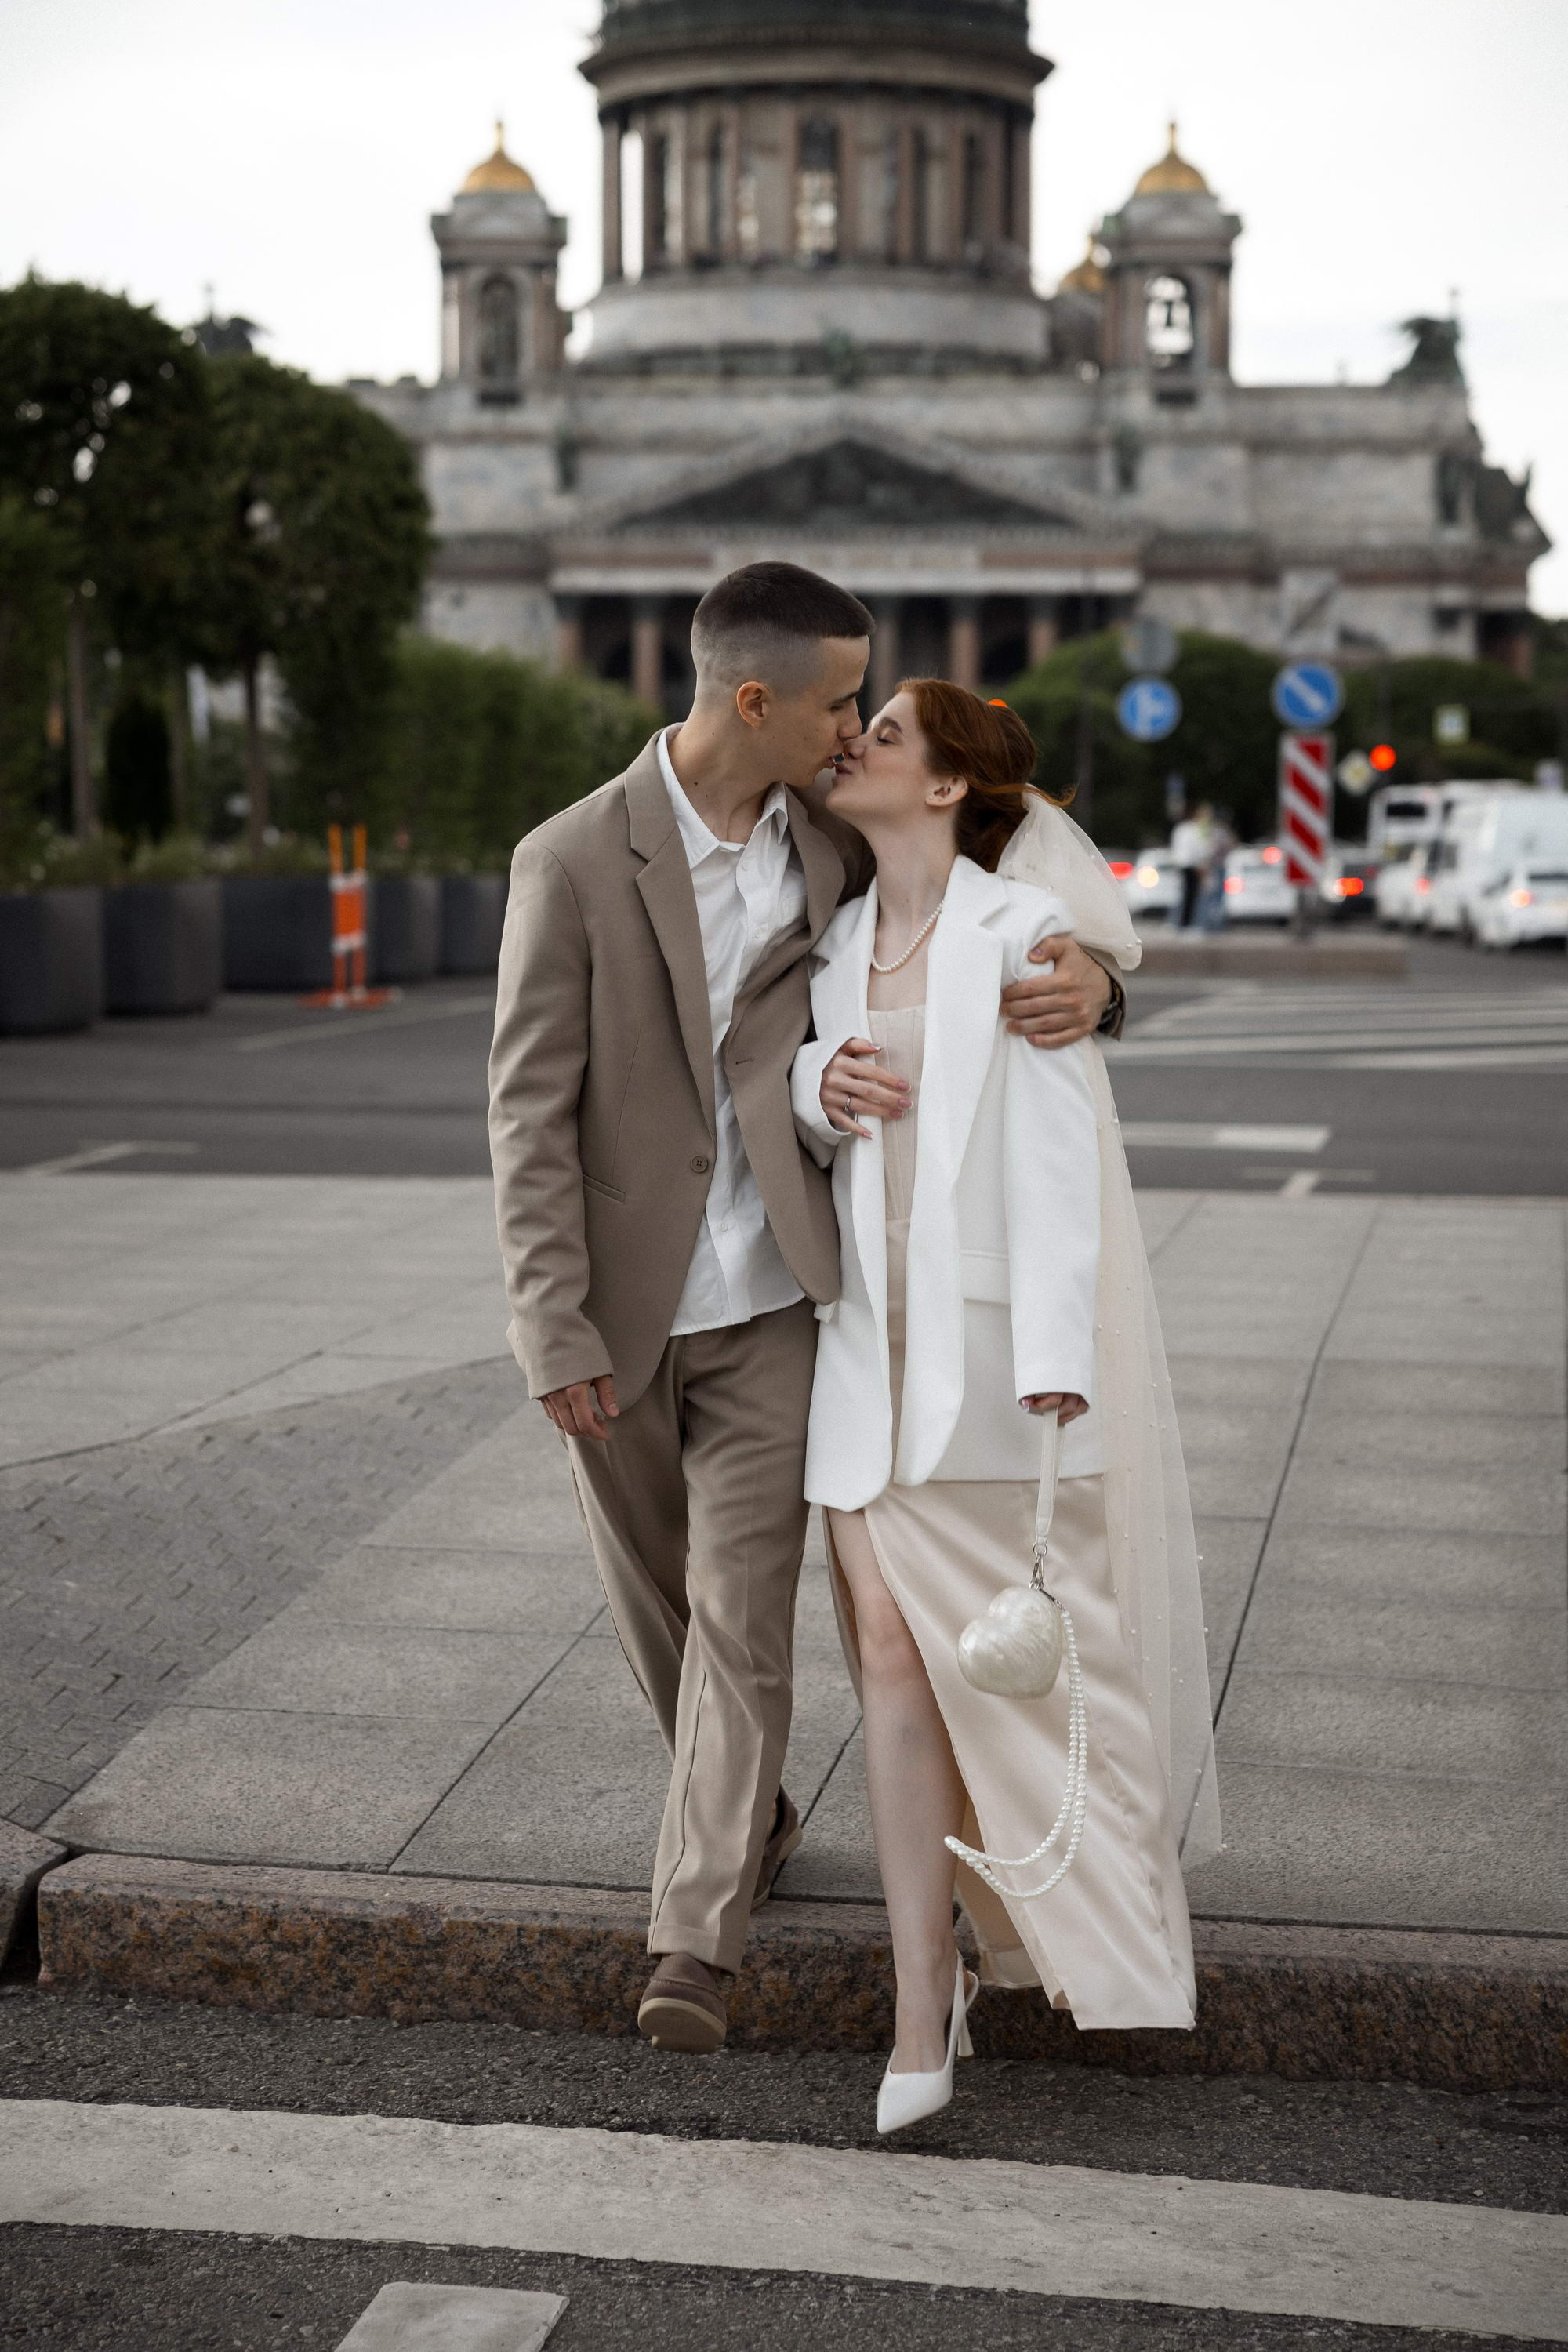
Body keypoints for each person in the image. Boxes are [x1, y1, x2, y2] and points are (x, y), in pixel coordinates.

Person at [488, 563, 1128, 2057]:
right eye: (841, 701)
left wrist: (1095, 976)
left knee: (742, 1615)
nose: (857, 731)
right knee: (660, 1604)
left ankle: (691, 1945)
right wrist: (550, 1325)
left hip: (782, 1289)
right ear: (755, 700)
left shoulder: (831, 842)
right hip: (622, 1307)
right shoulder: (570, 859)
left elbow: (1013, 857)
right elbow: (526, 1116)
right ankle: (752, 1814)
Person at [791, 681, 1220, 2134]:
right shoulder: (836, 937)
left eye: (890, 735)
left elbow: (1052, 1165)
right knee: (889, 1667)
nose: (856, 743)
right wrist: (809, 1083)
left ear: (943, 789)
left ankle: (1067, 1940)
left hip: (986, 1373)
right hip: (860, 1359)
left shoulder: (1017, 941)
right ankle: (925, 1999)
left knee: (1017, 1670)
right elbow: (792, 1094)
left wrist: (1057, 1367)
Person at [1170, 801, 1215, 930]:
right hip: (1192, 864)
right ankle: (1187, 924)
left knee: (1186, 895)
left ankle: (1181, 923)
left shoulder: (1182, 828)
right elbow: (1199, 848)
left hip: (1185, 863)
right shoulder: (1196, 829)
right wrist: (1202, 862)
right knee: (1191, 895)